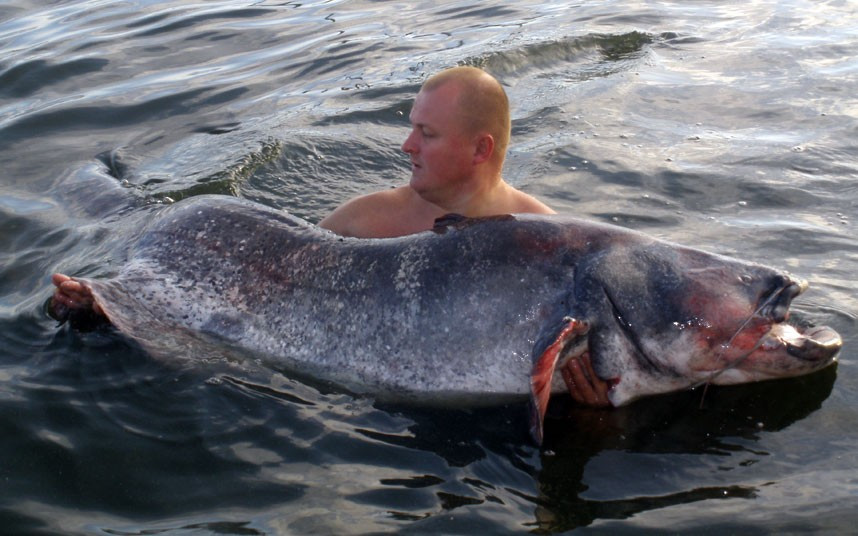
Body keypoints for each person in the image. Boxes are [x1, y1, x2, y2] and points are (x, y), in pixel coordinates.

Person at [50, 66, 611, 407]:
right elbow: (263, 298)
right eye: (411, 125)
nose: (405, 145)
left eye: (426, 132)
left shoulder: (545, 243)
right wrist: (119, 311)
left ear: (480, 150)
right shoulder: (364, 222)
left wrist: (594, 407)